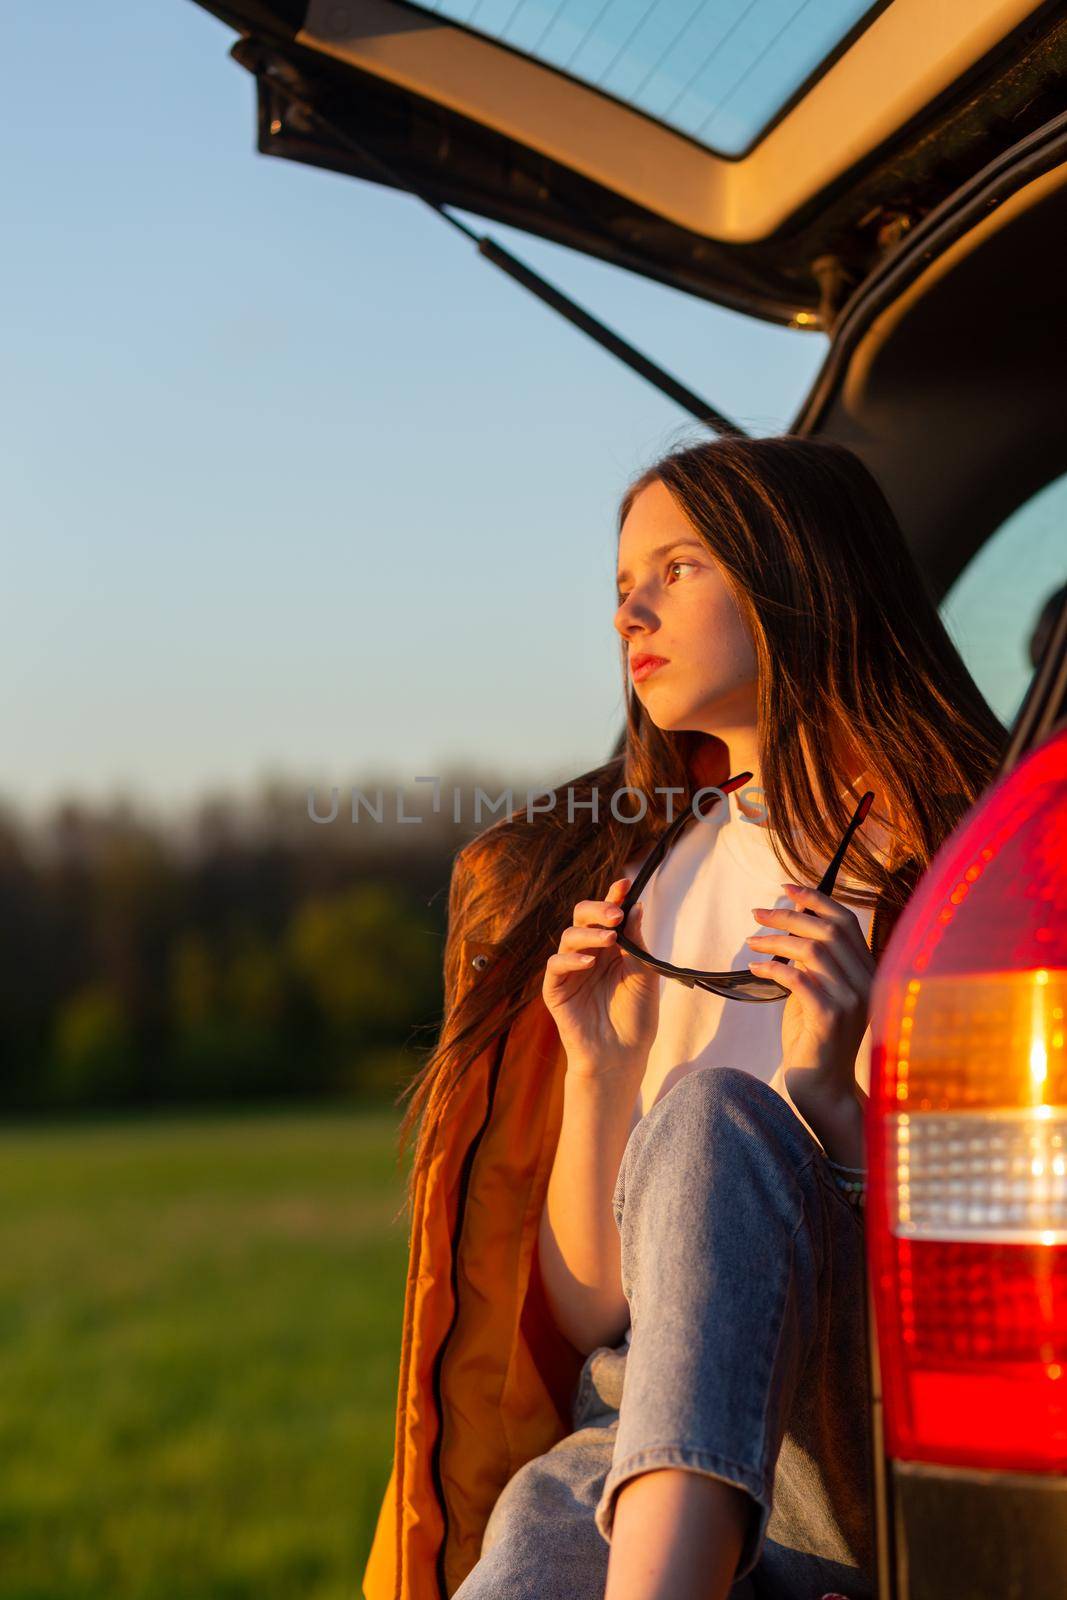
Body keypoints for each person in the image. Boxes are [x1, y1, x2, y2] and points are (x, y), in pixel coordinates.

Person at [360, 435, 1008, 1600]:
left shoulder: (972, 863)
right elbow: (591, 1310)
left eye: (677, 567)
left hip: (848, 1442)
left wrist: (831, 1111)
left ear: (797, 575)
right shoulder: (626, 878)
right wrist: (598, 1072)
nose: (629, 613)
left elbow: (1013, 1242)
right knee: (538, 1523)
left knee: (720, 1112)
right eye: (619, 589)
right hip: (617, 1443)